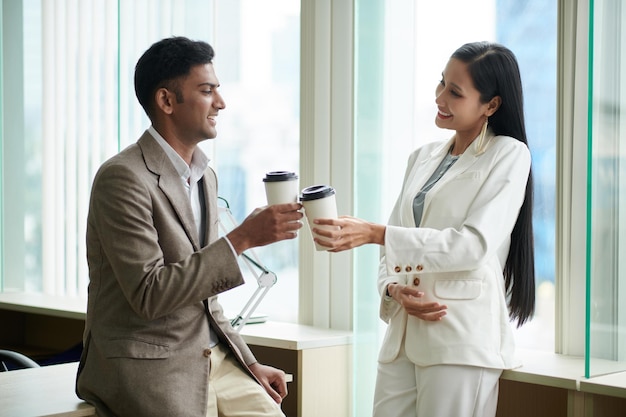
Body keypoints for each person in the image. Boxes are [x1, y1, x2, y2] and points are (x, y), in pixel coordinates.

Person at [76, 36, 303, 417]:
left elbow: (206, 301)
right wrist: (243, 238)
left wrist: (248, 363)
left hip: (214, 359)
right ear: (166, 101)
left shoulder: (204, 176)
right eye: (207, 90)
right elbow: (149, 294)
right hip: (150, 366)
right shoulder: (122, 178)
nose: (221, 103)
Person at [313, 41, 535, 417]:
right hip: (403, 334)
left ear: (491, 105)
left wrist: (376, 233)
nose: (440, 97)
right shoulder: (422, 157)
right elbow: (393, 251)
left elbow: (473, 245)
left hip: (459, 336)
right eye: (441, 84)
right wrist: (392, 288)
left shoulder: (509, 154)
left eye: (455, 92)